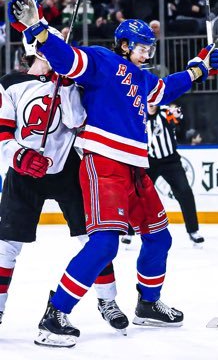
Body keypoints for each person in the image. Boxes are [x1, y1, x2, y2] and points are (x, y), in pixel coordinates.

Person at [8, 0, 218, 347]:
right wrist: (38, 31)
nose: (147, 52)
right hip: (103, 162)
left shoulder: (142, 78)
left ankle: (148, 304)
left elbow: (167, 88)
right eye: (141, 46)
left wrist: (199, 68)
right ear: (123, 44)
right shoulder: (102, 59)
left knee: (159, 237)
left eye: (151, 47)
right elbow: (67, 58)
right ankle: (55, 314)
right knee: (105, 244)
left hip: (137, 167)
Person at [0, 27, 128, 333]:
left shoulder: (70, 82)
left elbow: (75, 122)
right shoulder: (10, 84)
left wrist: (67, 84)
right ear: (36, 49)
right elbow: (2, 134)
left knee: (93, 239)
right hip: (24, 174)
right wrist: (21, 156)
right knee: (6, 244)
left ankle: (107, 301)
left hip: (67, 168)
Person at [146, 104, 204, 244]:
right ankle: (129, 232)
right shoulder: (139, 113)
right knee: (137, 194)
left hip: (170, 161)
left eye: (154, 98)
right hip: (149, 161)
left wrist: (178, 113)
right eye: (149, 99)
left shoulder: (165, 112)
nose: (152, 102)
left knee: (185, 192)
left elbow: (177, 117)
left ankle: (193, 230)